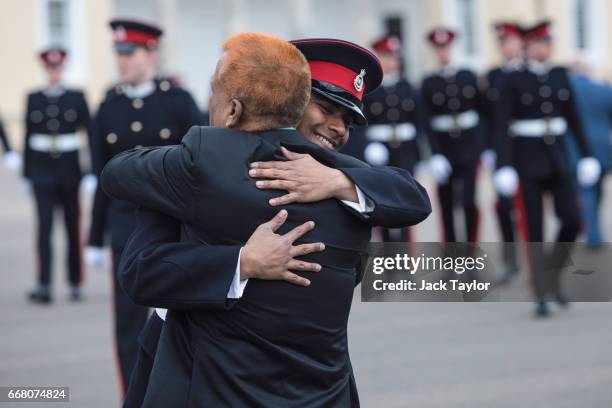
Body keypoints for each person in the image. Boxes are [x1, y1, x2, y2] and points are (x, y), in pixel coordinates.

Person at [101, 33, 430, 407]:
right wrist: (243, 261)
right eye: (325, 107)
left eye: (348, 120)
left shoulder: (206, 163)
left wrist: (337, 181)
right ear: (293, 96)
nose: (338, 128)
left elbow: (123, 187)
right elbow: (409, 199)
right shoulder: (354, 188)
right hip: (317, 392)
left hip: (210, 382)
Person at [85, 19, 206, 393]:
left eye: (130, 53)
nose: (122, 62)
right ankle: (133, 396)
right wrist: (95, 237)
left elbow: (202, 166)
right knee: (128, 324)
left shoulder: (178, 101)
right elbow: (100, 178)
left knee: (182, 316)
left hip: (176, 224)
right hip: (125, 226)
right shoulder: (108, 106)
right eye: (118, 54)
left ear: (151, 53)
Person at [493, 21, 601, 317]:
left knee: (573, 220)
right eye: (541, 42)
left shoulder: (559, 75)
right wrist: (503, 166)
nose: (547, 47)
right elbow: (502, 125)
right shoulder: (513, 80)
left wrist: (588, 155)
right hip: (526, 161)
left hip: (558, 159)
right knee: (535, 229)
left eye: (549, 42)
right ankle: (541, 292)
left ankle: (553, 275)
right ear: (529, 46)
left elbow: (574, 118)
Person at [23, 47, 93, 304]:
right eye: (50, 68)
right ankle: (44, 283)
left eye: (57, 68)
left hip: (69, 169)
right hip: (42, 169)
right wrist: (26, 173)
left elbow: (91, 133)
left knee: (72, 227)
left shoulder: (76, 97)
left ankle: (75, 281)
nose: (54, 72)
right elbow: (29, 136)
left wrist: (90, 173)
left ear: (62, 69)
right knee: (44, 227)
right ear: (45, 69)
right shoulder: (34, 97)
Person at [355, 34, 423, 242]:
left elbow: (419, 122)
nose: (392, 60)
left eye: (394, 56)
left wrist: (419, 154)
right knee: (382, 204)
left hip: (405, 151)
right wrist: (368, 145)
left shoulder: (408, 87)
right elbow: (358, 121)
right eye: (386, 56)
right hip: (379, 153)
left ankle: (404, 260)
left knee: (405, 205)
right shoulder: (369, 90)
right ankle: (388, 258)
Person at [421, 28, 484, 243]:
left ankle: (470, 252)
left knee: (468, 203)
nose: (443, 52)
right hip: (444, 149)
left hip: (469, 147)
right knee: (446, 206)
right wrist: (434, 154)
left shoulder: (468, 76)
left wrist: (483, 147)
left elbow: (481, 112)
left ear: (452, 48)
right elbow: (426, 121)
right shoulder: (429, 82)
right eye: (439, 49)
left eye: (446, 47)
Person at [483, 22, 524, 280]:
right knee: (503, 206)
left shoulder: (531, 72)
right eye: (501, 41)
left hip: (530, 149)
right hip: (503, 149)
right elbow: (489, 117)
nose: (505, 46)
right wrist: (488, 149)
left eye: (509, 40)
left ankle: (535, 258)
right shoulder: (494, 76)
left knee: (532, 208)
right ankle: (511, 259)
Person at [565, 61, 612, 247]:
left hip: (576, 147)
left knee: (585, 191)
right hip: (601, 146)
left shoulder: (568, 92)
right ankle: (594, 229)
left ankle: (593, 233)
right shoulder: (603, 89)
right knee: (597, 188)